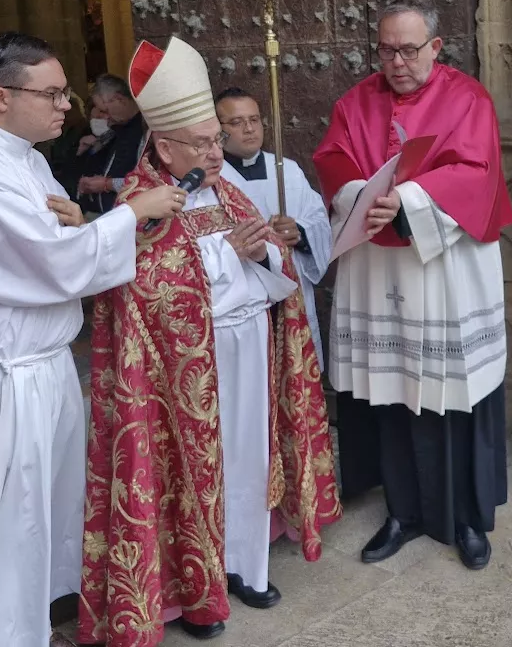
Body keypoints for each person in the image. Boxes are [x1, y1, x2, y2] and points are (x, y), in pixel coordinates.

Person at [0, 32, 185, 647]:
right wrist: (133, 213)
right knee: (10, 522)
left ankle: (33, 622)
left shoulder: (27, 156)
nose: (68, 106)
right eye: (55, 93)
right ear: (2, 96)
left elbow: (52, 245)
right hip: (4, 373)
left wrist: (87, 221)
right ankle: (1, 633)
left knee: (44, 516)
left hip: (44, 364)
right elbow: (46, 264)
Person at [80, 37, 339, 645]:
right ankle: (199, 586)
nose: (215, 152)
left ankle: (248, 566)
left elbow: (275, 268)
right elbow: (139, 287)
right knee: (199, 467)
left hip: (248, 344)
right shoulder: (136, 204)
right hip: (182, 369)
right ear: (164, 146)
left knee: (249, 456)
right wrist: (228, 258)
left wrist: (263, 251)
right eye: (202, 143)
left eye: (217, 140)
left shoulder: (228, 191)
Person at [314, 0, 512, 568]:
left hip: (444, 269)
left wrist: (410, 199)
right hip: (379, 267)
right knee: (394, 390)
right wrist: (365, 197)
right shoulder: (356, 101)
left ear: (436, 46)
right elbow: (334, 160)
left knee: (453, 396)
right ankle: (402, 512)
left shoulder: (466, 97)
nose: (397, 62)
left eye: (408, 49)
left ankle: (467, 519)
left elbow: (476, 171)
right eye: (386, 50)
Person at [218, 86, 333, 358]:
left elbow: (319, 220)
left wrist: (300, 232)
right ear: (218, 130)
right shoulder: (213, 177)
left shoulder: (287, 170)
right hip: (242, 298)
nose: (249, 129)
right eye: (236, 122)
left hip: (289, 292)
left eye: (254, 119)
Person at [76, 72, 147, 213]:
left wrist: (107, 184)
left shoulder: (145, 129)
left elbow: (149, 181)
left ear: (119, 99)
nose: (105, 117)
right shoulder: (117, 129)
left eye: (105, 110)